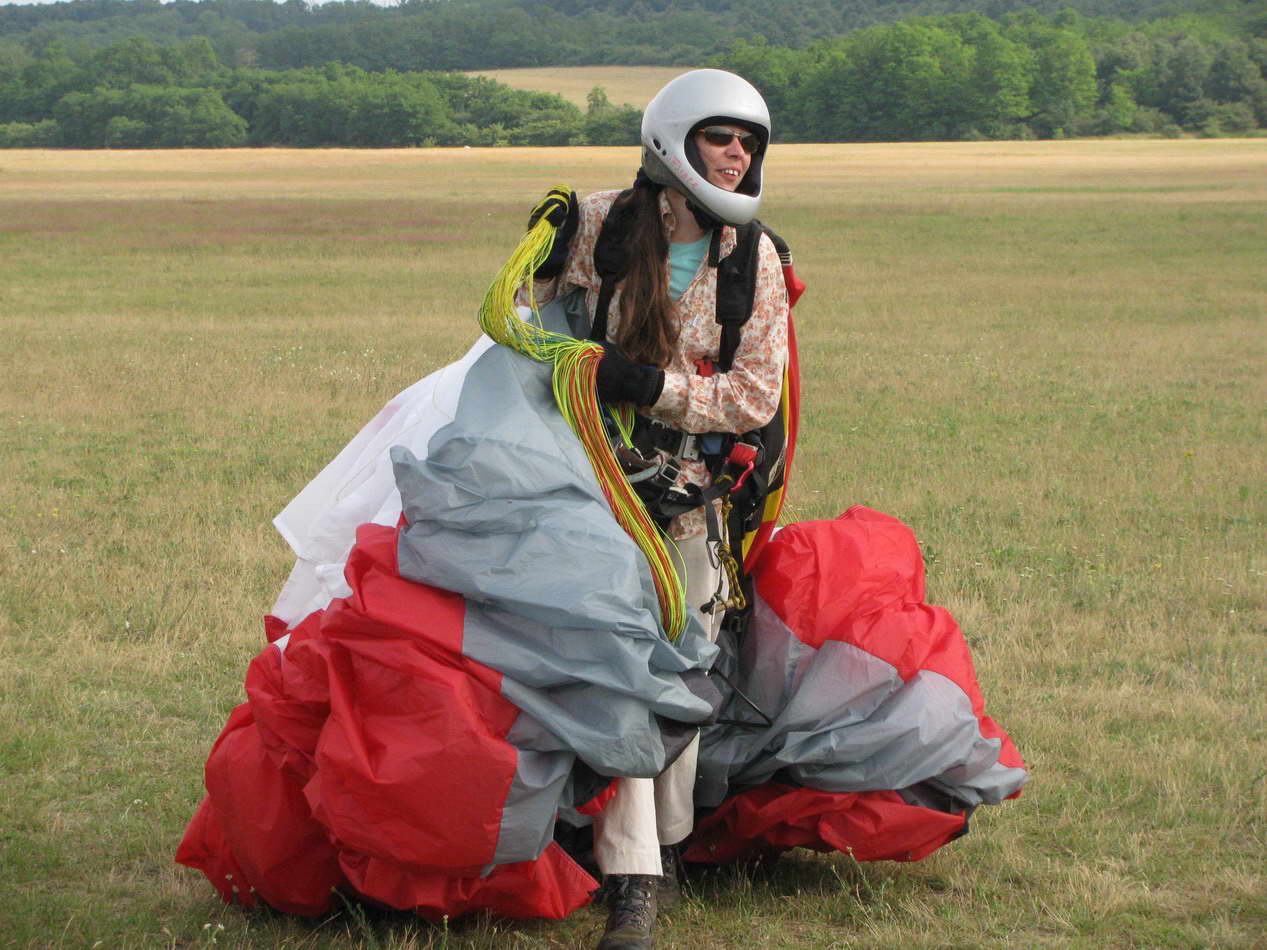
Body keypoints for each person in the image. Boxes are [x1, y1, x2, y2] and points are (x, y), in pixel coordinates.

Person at [524, 68, 789, 950]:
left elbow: (753, 396)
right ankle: (634, 873)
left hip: (687, 498)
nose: (737, 155)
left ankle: (660, 846)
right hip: (584, 480)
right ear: (674, 139)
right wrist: (533, 255)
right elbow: (520, 330)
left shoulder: (753, 258)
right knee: (615, 657)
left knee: (680, 666)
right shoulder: (595, 225)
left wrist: (652, 387)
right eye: (721, 138)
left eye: (749, 143)